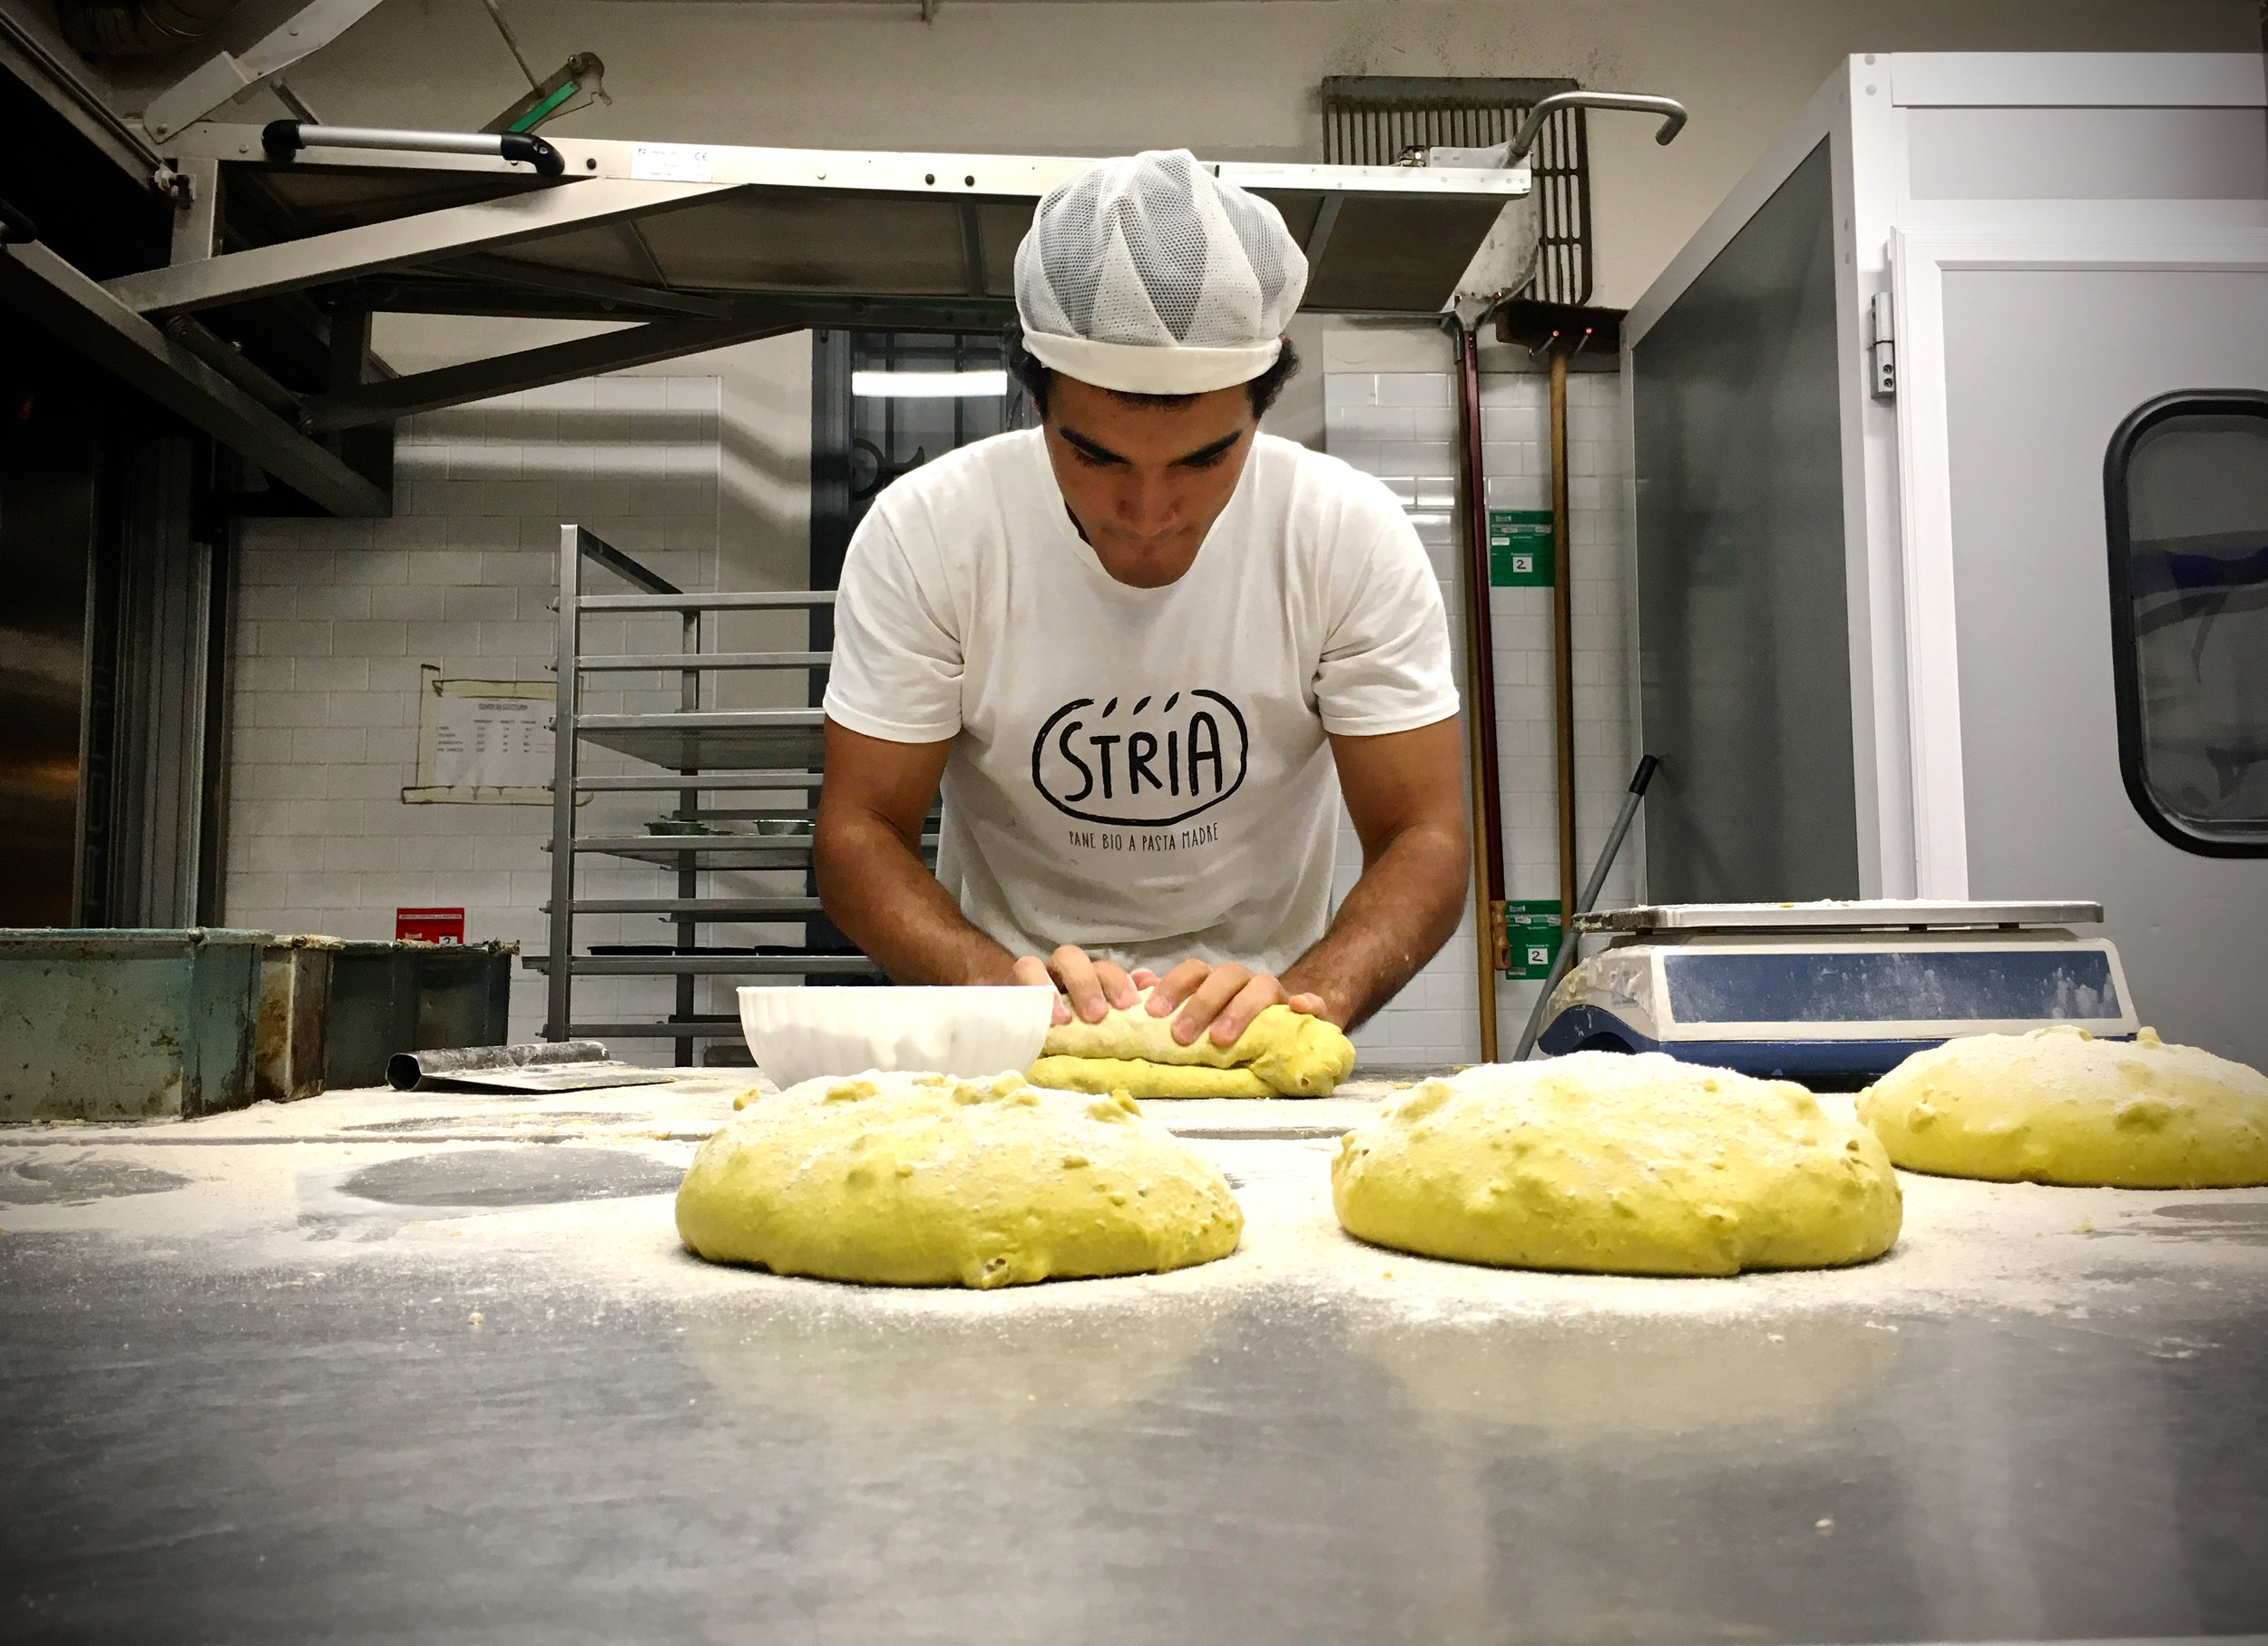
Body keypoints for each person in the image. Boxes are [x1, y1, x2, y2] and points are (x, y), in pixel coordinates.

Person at [815, 149, 1468, 1054]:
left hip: (1261, 1012)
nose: (1150, 513)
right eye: (1097, 457)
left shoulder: (1342, 532)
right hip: (1013, 1029)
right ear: (1036, 407)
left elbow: (1424, 835)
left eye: (1204, 459)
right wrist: (993, 987)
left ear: (1261, 410)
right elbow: (858, 831)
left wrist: (1306, 999)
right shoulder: (932, 529)